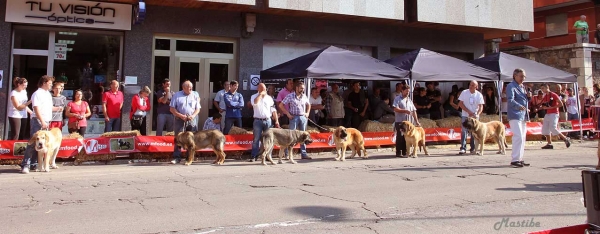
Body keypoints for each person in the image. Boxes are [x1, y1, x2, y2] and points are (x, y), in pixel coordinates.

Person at [21, 75, 56, 174]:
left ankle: (33, 164)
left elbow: (49, 107)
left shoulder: (48, 94)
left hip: (46, 120)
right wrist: (42, 121)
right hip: (38, 120)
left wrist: (58, 108)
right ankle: (25, 165)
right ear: (44, 83)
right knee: (33, 142)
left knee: (42, 144)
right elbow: (36, 108)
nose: (51, 85)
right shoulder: (37, 94)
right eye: (49, 83)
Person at [170, 80, 201, 164]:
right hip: (180, 119)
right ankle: (177, 157)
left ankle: (190, 157)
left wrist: (193, 116)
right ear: (183, 88)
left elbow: (198, 108)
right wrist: (181, 116)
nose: (190, 88)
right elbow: (172, 109)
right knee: (178, 138)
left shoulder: (195, 95)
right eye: (188, 87)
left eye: (191, 87)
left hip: (192, 119)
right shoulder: (177, 95)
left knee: (192, 139)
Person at [279, 81, 312, 160]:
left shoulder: (304, 96)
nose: (302, 90)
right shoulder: (290, 96)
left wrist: (307, 113)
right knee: (291, 136)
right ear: (296, 88)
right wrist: (287, 113)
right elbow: (281, 105)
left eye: (303, 88)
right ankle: (287, 154)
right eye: (301, 88)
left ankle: (303, 154)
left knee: (304, 136)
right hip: (293, 117)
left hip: (302, 117)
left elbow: (309, 104)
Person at [249, 83, 280, 162]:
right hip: (257, 120)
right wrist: (260, 95)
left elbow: (273, 110)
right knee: (256, 139)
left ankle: (268, 155)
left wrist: (276, 121)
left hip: (268, 120)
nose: (264, 90)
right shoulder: (253, 96)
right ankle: (254, 156)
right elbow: (255, 103)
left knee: (269, 139)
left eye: (265, 89)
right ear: (258, 89)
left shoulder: (269, 98)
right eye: (262, 89)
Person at [506, 68, 530, 168]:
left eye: (524, 76)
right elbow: (510, 100)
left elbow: (525, 100)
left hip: (523, 115)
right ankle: (514, 159)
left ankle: (519, 158)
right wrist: (518, 106)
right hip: (515, 114)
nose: (523, 78)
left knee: (523, 137)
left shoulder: (523, 87)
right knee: (518, 136)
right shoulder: (511, 86)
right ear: (515, 76)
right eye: (521, 76)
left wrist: (529, 97)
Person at [539, 84, 571, 149]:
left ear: (547, 87)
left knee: (554, 127)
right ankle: (549, 143)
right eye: (541, 89)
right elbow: (543, 104)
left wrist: (552, 107)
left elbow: (561, 103)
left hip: (556, 113)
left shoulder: (554, 94)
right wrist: (543, 107)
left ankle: (565, 138)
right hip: (548, 113)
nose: (542, 90)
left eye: (543, 88)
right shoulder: (546, 96)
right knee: (545, 129)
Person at [457, 81, 485, 155]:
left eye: (473, 85)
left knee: (474, 132)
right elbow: (460, 104)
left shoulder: (479, 95)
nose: (471, 86)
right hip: (465, 115)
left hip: (474, 117)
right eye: (470, 85)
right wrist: (468, 111)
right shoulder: (464, 92)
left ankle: (473, 148)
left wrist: (477, 114)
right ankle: (463, 148)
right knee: (464, 131)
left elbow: (481, 106)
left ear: (476, 87)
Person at [392, 85, 420, 158]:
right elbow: (395, 108)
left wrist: (417, 121)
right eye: (406, 91)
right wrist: (404, 111)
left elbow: (414, 111)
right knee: (400, 137)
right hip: (400, 122)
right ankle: (399, 152)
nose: (408, 93)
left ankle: (406, 152)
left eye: (408, 91)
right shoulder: (397, 99)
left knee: (407, 137)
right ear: (402, 91)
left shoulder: (409, 100)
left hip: (409, 123)